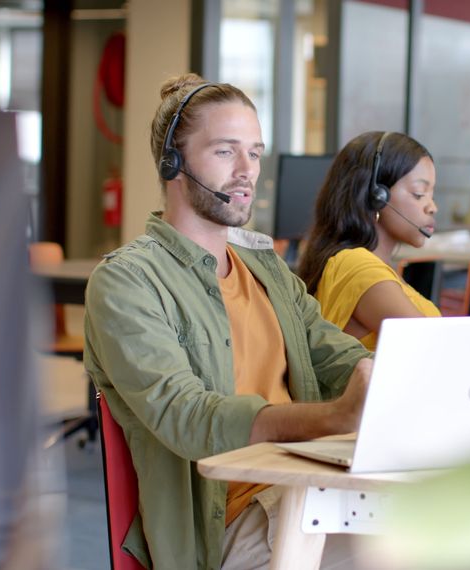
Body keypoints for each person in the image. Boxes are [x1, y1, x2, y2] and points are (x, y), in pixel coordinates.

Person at [83, 73, 373, 569]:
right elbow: (187, 417)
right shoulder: (127, 283)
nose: (247, 171)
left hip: (310, 492)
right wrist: (333, 418)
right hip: (234, 526)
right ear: (172, 162)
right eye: (225, 152)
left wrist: (394, 377)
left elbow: (336, 355)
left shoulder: (267, 269)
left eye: (255, 153)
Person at [296, 131, 441, 349]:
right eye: (419, 194)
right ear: (376, 195)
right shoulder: (359, 268)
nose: (432, 207)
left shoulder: (370, 266)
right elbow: (435, 348)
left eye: (432, 194)